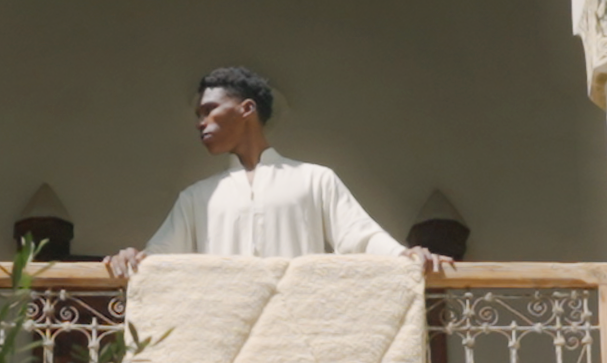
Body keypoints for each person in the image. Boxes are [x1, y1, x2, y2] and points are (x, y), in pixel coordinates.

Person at [108, 67, 452, 278]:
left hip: (298, 338)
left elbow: (360, 239)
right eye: (199, 115)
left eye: (210, 110)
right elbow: (159, 259)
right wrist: (132, 258)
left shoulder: (315, 180)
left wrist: (406, 256)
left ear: (246, 109)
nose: (201, 123)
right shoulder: (196, 197)